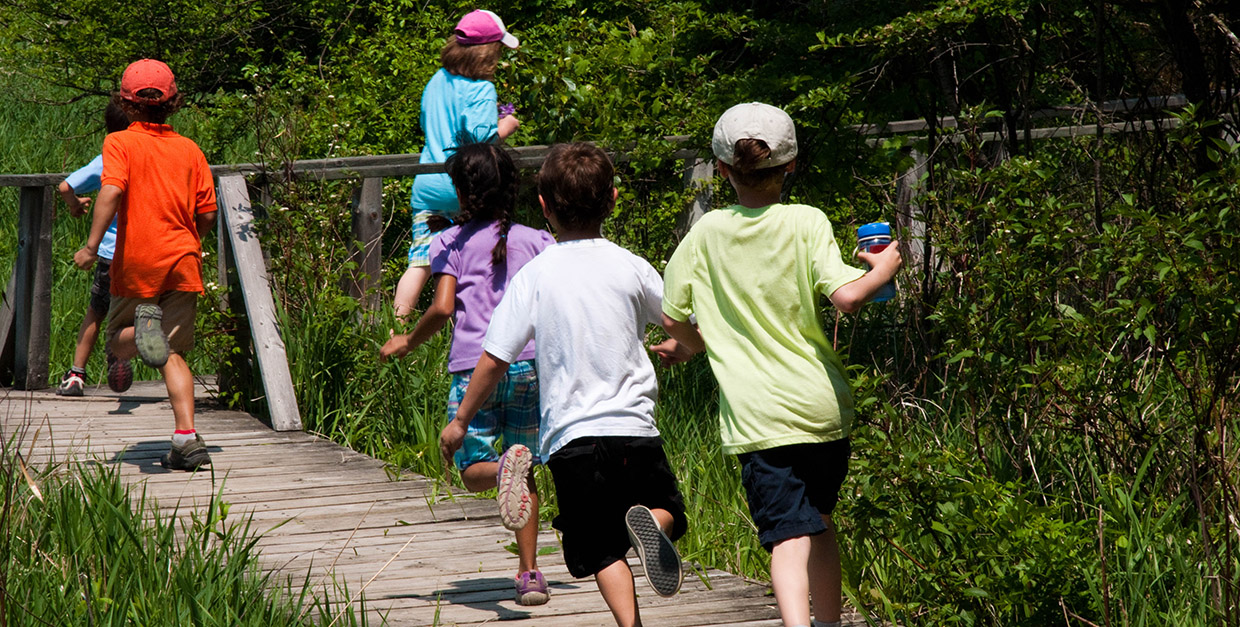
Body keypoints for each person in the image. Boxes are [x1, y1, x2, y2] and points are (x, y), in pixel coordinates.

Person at [660, 102, 903, 627]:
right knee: (819, 523)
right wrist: (883, 267)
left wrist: (693, 344)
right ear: (790, 165)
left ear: (722, 170)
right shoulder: (807, 221)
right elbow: (848, 298)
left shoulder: (706, 234)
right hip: (821, 410)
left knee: (788, 537)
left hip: (759, 418)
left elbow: (670, 313)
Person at [439, 143, 694, 626]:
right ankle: (654, 528)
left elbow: (495, 359)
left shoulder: (537, 273)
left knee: (599, 548)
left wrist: (461, 420)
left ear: (544, 207)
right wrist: (684, 348)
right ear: (613, 200)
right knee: (667, 509)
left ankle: (630, 625)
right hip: (635, 428)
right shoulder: (631, 265)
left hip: (572, 440)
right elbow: (682, 326)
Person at [380, 143, 555, 605]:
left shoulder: (450, 244)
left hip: (475, 372)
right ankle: (530, 574)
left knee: (472, 467)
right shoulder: (537, 240)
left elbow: (441, 308)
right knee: (526, 471)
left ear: (461, 191)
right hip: (529, 367)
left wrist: (406, 340)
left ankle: (502, 473)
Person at [73, 59, 218, 472]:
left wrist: (91, 245)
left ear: (126, 103)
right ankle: (186, 439)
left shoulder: (120, 143)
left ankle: (142, 329)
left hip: (138, 258)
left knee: (119, 339)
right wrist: (189, 242)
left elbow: (112, 190)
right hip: (183, 259)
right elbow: (207, 214)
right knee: (170, 351)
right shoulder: (190, 149)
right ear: (174, 103)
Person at [394, 9, 522, 321]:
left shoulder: (437, 80)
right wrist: (508, 125)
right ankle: (472, 328)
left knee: (421, 260)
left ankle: (394, 327)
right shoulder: (481, 89)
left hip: (428, 184)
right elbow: (482, 139)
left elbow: (427, 122)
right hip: (466, 187)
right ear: (487, 52)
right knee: (472, 258)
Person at [56, 102, 134, 396]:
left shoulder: (106, 160)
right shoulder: (144, 158)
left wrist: (76, 206)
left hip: (108, 253)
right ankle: (120, 351)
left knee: (96, 311)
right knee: (140, 310)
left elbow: (65, 187)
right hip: (143, 250)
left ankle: (76, 374)